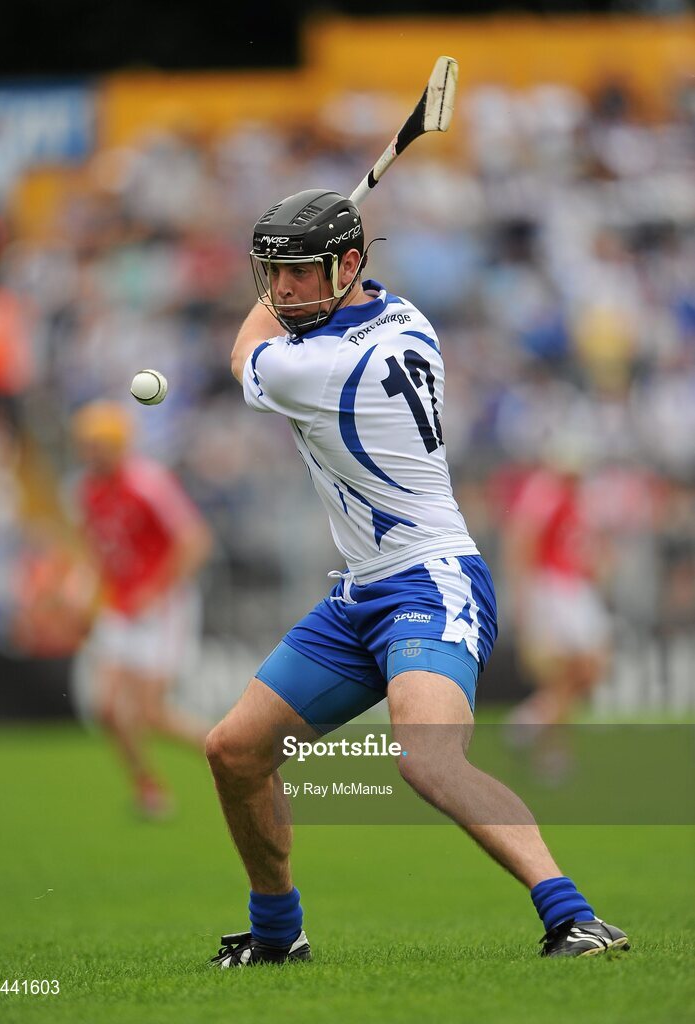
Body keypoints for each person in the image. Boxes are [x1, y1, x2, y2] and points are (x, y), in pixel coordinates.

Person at [205, 189, 629, 965]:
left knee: (426, 755)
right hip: (359, 591)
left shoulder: (324, 366)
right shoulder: (401, 314)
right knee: (233, 750)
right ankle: (275, 935)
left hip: (429, 582)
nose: (282, 289)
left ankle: (574, 918)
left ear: (349, 264)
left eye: (298, 271)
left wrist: (266, 300)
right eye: (273, 272)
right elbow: (320, 306)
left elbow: (243, 352)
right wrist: (321, 266)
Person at [71, 400, 212, 818]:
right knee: (106, 707)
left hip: (162, 607)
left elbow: (195, 541)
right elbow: (99, 554)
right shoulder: (87, 492)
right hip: (121, 604)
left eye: (98, 444)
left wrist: (155, 590)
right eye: (86, 444)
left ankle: (240, 756)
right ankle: (147, 786)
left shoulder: (148, 483)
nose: (90, 452)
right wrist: (86, 599)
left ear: (118, 444)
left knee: (152, 714)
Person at [501, 438, 613, 778]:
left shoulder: (573, 497)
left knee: (580, 673)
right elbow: (523, 542)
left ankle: (531, 720)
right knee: (572, 671)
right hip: (554, 589)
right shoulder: (546, 491)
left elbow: (577, 544)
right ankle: (550, 751)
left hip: (570, 588)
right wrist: (523, 598)